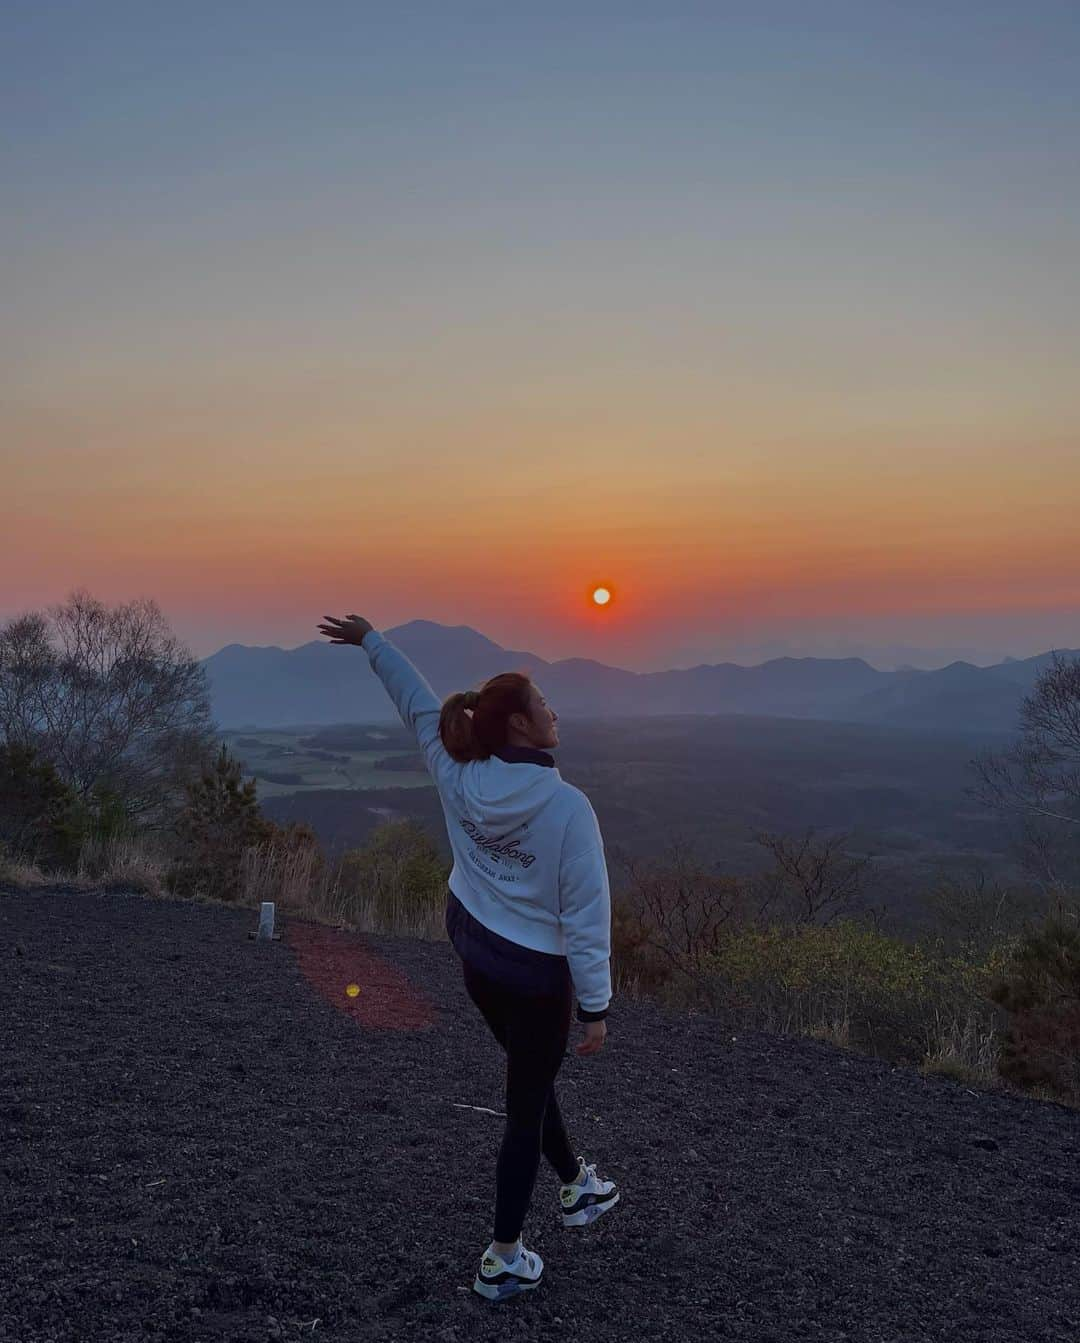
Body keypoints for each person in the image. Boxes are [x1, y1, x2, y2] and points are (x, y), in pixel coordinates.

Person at [317, 614, 620, 1301]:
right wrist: (597, 1008)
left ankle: (576, 1185)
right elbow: (587, 916)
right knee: (523, 1105)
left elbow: (415, 700)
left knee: (530, 1080)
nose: (554, 711)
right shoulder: (569, 809)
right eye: (543, 704)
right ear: (517, 724)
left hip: (476, 957)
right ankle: (502, 1257)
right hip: (537, 977)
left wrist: (372, 641)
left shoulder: (456, 767)